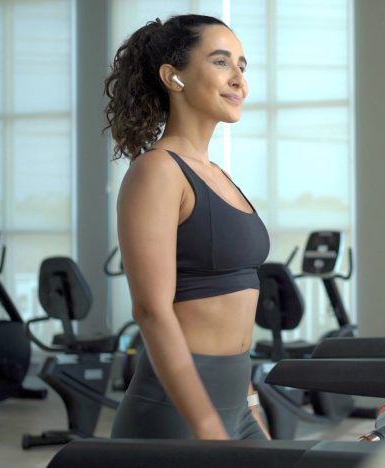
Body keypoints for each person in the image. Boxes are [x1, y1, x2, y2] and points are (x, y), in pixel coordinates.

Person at [103, 14, 270, 441]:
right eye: (221, 62)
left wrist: (250, 406)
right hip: (178, 413)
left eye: (242, 66)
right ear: (173, 77)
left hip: (237, 406)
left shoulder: (216, 173)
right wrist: (206, 424)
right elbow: (151, 310)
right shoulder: (158, 171)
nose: (238, 79)